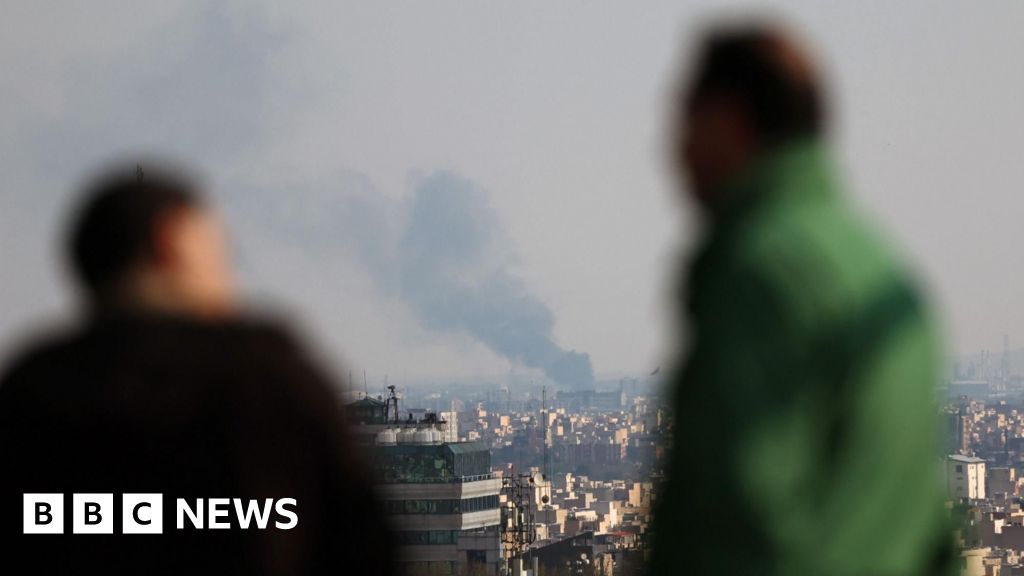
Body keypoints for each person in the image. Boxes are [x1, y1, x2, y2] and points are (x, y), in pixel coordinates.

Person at [649, 26, 954, 575]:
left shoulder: (761, 277)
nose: (676, 150)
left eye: (687, 121)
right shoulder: (885, 278)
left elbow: (736, 524)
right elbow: (929, 532)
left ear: (730, 123)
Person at [0, 165, 394, 575]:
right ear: (169, 243)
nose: (229, 275)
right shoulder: (263, 375)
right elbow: (359, 543)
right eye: (221, 252)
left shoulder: (30, 390)